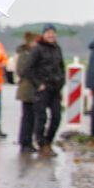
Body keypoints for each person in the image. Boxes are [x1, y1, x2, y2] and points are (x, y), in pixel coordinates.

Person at [26, 25, 66, 156]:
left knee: (57, 117)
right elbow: (29, 69)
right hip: (43, 88)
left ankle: (49, 141)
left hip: (55, 88)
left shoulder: (57, 48)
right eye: (48, 33)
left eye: (53, 33)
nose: (51, 35)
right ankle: (41, 143)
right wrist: (38, 84)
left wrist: (61, 82)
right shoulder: (37, 49)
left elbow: (61, 67)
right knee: (41, 117)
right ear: (43, 35)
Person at [15, 32, 39, 153]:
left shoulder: (31, 53)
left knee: (32, 117)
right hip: (27, 89)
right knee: (27, 117)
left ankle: (28, 141)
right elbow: (21, 70)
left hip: (32, 89)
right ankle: (25, 142)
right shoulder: (24, 54)